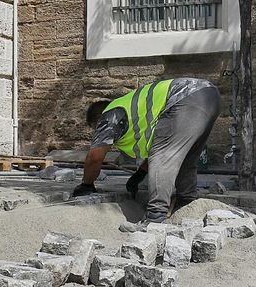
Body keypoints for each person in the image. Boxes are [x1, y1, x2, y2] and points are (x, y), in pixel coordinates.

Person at [72, 78, 221, 223]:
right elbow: (159, 148)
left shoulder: (110, 114)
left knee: (164, 157)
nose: (97, 134)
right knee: (186, 159)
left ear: (97, 122)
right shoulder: (135, 112)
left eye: (95, 130)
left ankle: (155, 216)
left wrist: (87, 184)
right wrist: (141, 173)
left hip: (184, 97)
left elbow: (95, 157)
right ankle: (187, 205)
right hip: (209, 96)